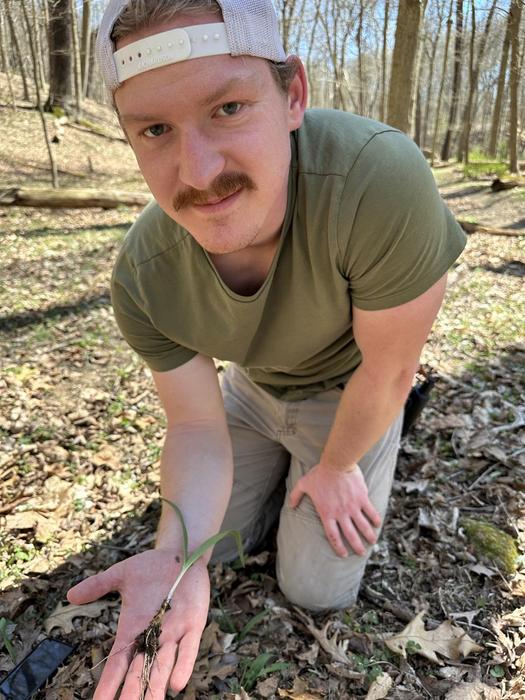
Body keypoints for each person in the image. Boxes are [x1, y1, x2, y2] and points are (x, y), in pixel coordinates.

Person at [67, 0, 467, 697]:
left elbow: (389, 364)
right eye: (156, 129)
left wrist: (338, 465)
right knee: (206, 550)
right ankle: (281, 470)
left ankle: (354, 455)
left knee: (314, 587)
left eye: (227, 108)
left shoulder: (376, 181)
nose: (196, 172)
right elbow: (194, 423)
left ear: (293, 96)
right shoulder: (143, 276)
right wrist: (174, 556)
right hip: (250, 393)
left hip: (351, 387)